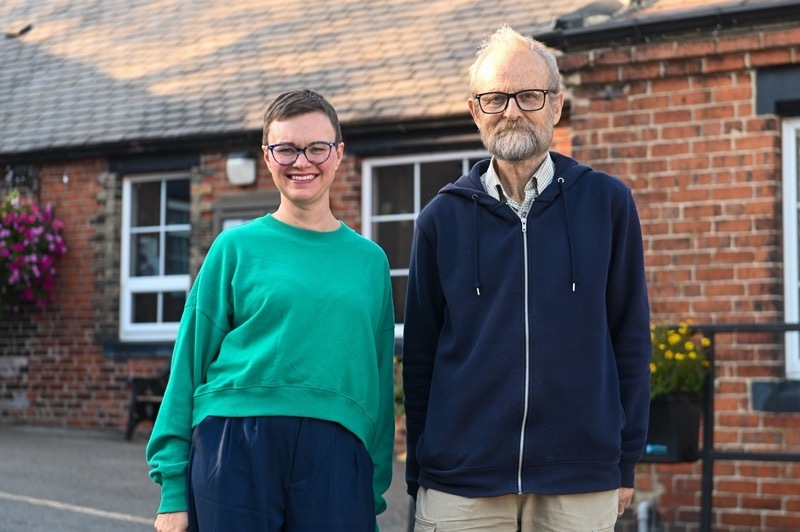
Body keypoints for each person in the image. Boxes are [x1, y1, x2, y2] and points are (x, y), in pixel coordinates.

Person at [402, 25, 651, 531]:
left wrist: (623, 461)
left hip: (580, 478)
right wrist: (422, 467)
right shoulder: (440, 219)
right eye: (495, 98)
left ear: (556, 106)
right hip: (460, 483)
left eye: (529, 96)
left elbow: (630, 338)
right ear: (475, 112)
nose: (512, 110)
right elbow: (421, 355)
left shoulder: (607, 204)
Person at [146, 89, 396, 532]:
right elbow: (188, 363)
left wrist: (371, 488)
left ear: (338, 154)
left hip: (337, 456)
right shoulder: (234, 248)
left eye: (317, 148)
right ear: (268, 156)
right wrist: (172, 491)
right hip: (235, 444)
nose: (302, 162)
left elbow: (377, 377)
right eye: (286, 149)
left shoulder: (370, 261)